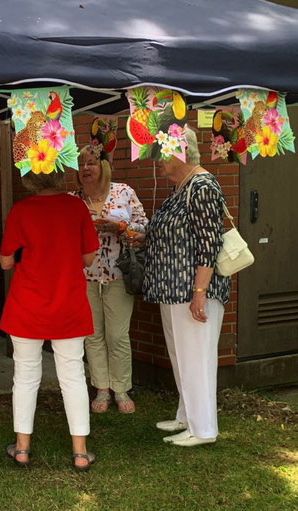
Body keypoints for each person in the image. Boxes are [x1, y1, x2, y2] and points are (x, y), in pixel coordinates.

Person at [131, 126, 230, 447]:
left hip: (192, 291)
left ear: (179, 154)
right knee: (182, 356)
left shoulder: (202, 186)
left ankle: (204, 430)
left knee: (196, 358)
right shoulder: (182, 188)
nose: (158, 161)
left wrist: (199, 293)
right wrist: (144, 235)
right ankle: (187, 417)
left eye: (163, 155)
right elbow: (175, 232)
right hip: (172, 290)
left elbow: (209, 243)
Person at [0, 169, 99, 471]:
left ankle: (22, 448)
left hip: (27, 304)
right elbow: (89, 256)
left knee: (25, 376)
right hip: (68, 302)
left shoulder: (21, 210)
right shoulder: (76, 207)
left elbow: (5, 262)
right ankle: (80, 452)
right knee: (73, 376)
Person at [71, 147, 148, 414]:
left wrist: (121, 227)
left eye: (91, 163)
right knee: (92, 335)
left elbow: (143, 227)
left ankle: (121, 388)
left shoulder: (123, 192)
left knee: (117, 335)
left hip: (118, 274)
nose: (85, 169)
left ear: (104, 166)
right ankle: (101, 389)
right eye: (81, 164)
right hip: (84, 277)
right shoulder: (72, 200)